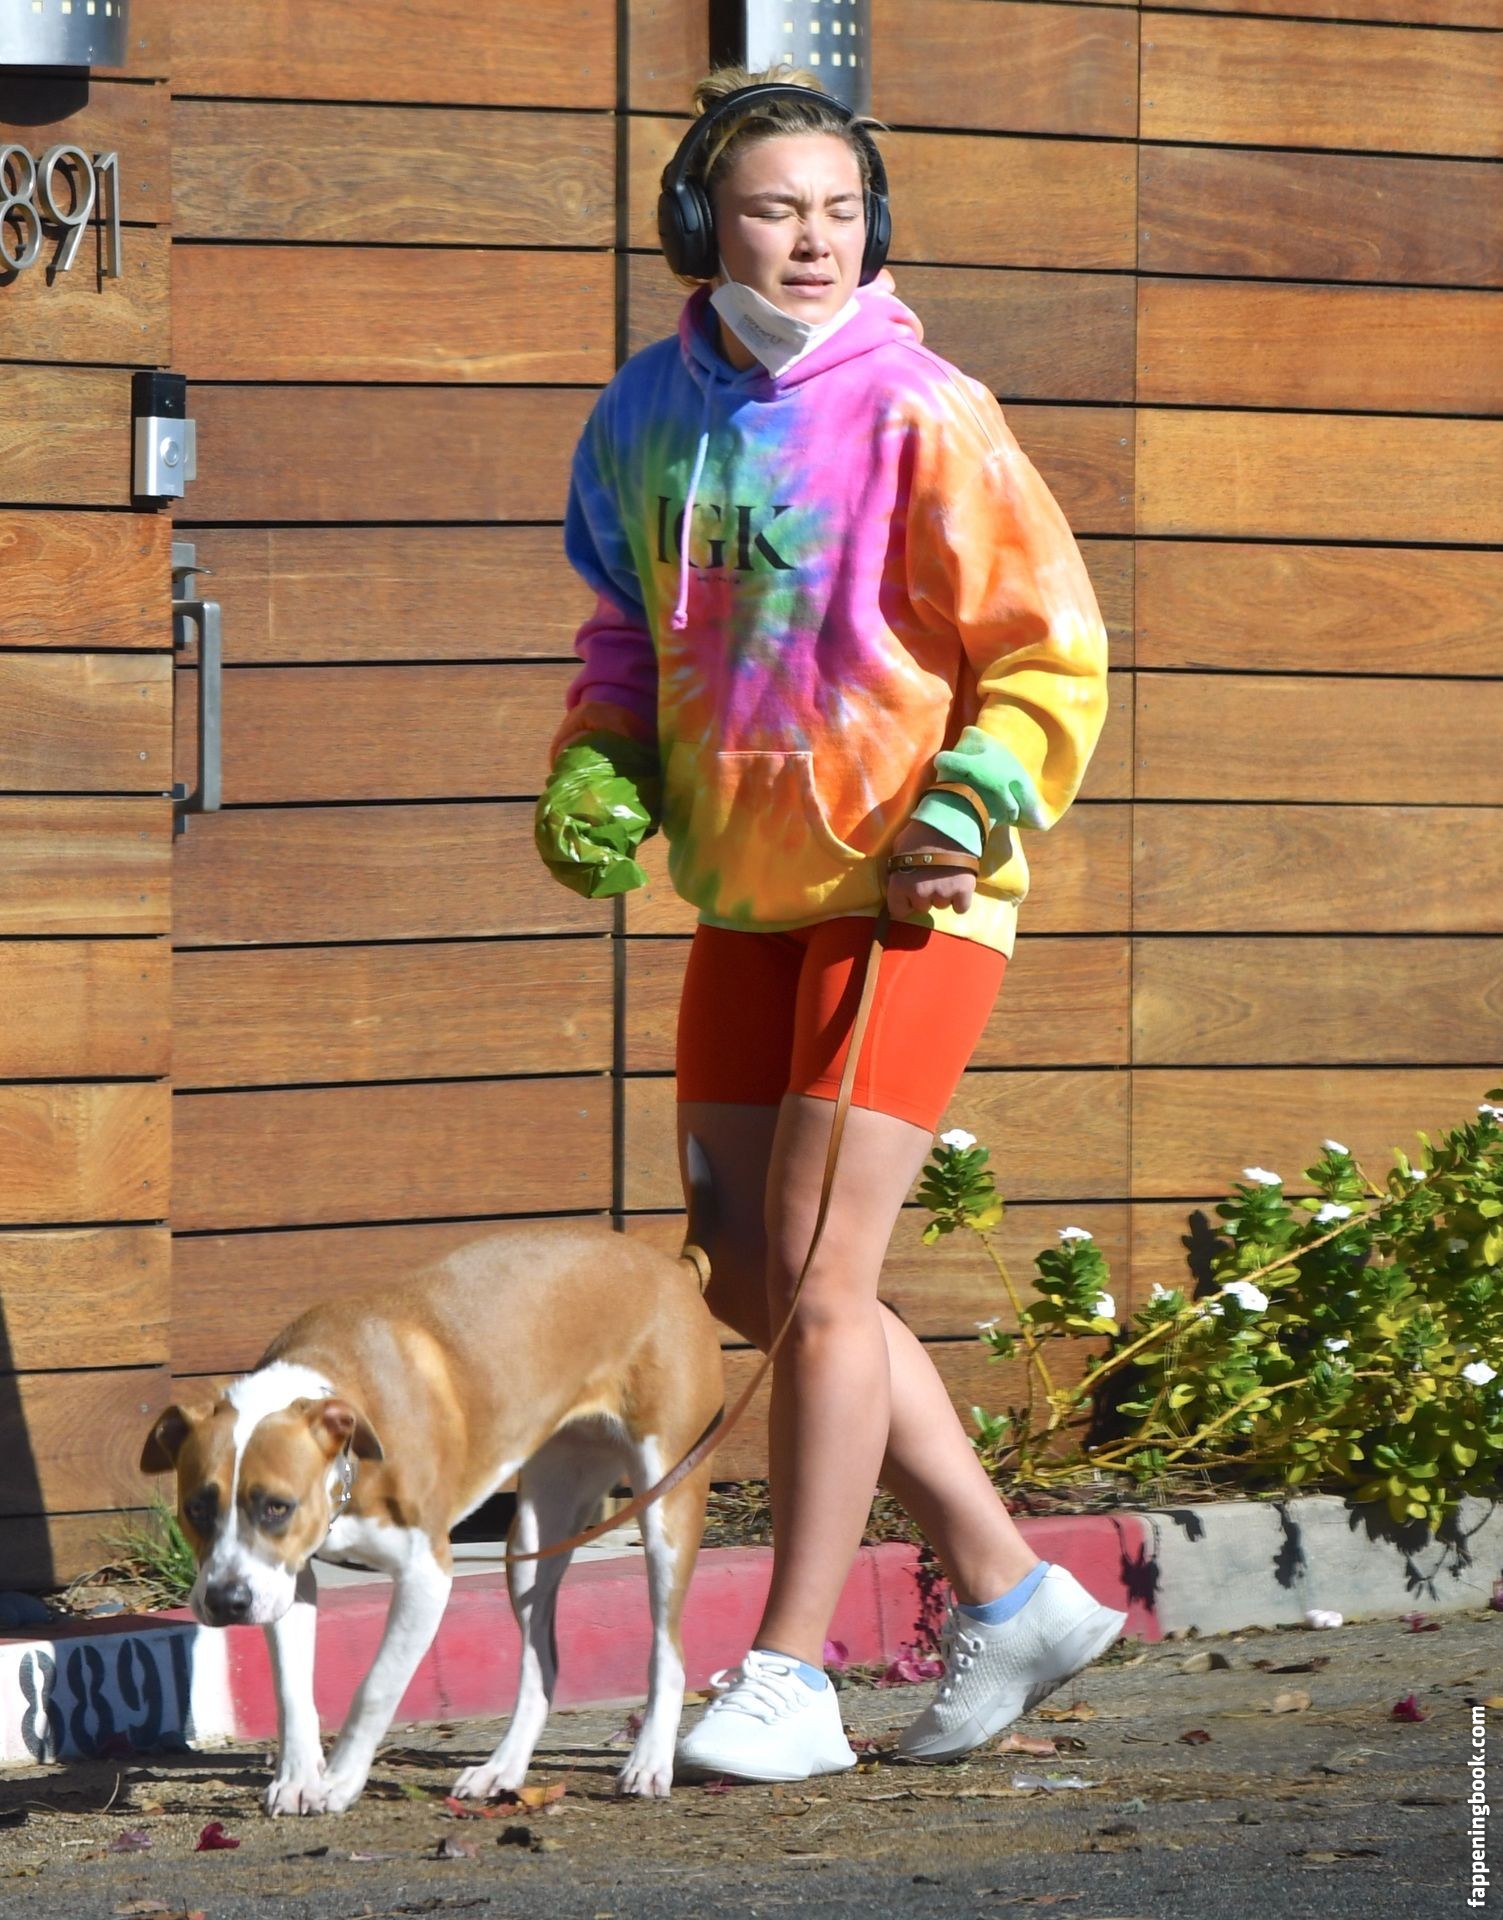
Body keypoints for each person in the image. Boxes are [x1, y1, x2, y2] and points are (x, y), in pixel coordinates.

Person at [536, 65, 1125, 1785]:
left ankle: (789, 1671)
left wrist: (969, 806)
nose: (813, 238)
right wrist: (599, 763)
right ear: (699, 224)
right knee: (749, 1266)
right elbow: (623, 633)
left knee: (818, 1273)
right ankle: (1011, 1589)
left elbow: (1047, 650)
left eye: (841, 210)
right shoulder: (644, 412)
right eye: (775, 208)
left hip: (909, 890)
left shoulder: (927, 410)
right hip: (745, 890)